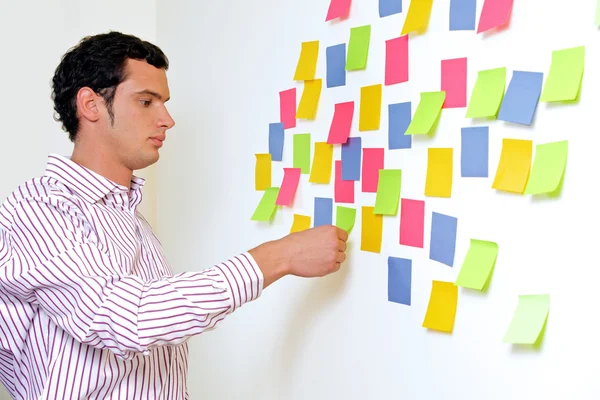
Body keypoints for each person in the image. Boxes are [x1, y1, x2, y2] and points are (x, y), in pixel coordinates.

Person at [0, 31, 348, 399]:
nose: (167, 119)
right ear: (90, 104)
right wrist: (280, 256)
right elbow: (127, 318)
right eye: (146, 101)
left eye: (163, 102)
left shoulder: (130, 219)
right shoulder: (38, 209)